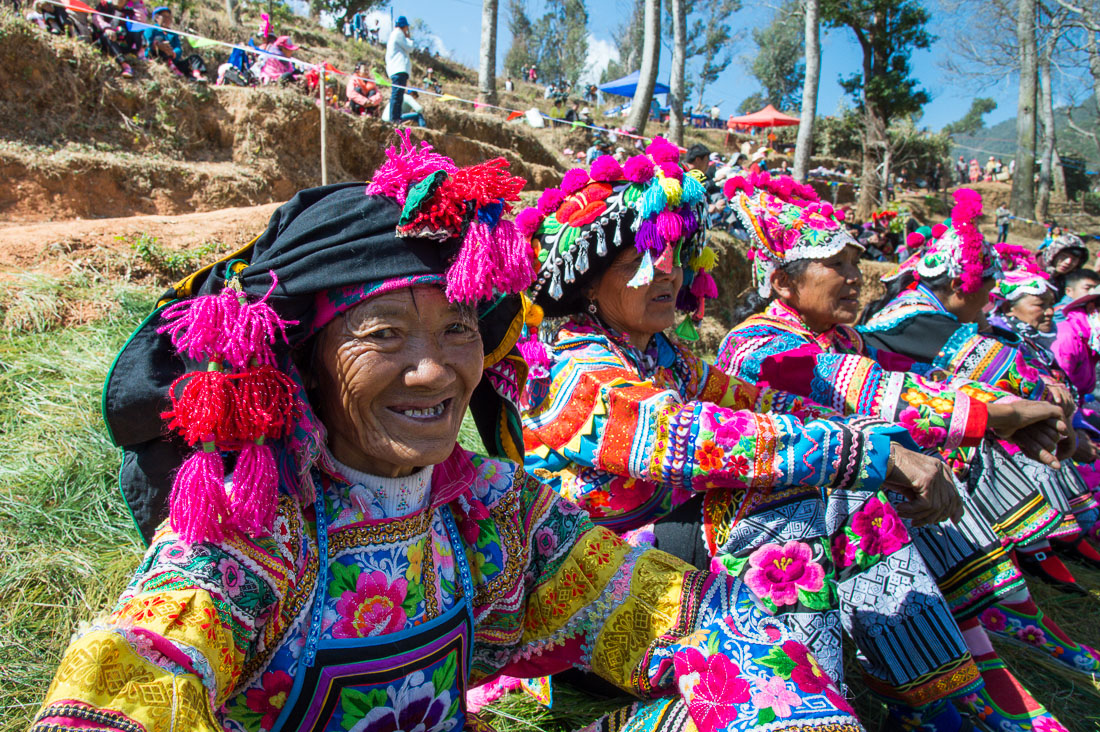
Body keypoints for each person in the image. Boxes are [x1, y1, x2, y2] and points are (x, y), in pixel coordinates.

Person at [32, 132, 861, 732]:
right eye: (384, 335)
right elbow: (128, 682)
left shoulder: (493, 510)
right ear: (306, 362)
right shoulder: (254, 540)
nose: (434, 371)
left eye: (458, 329)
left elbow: (676, 614)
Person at [516, 140, 1003, 731]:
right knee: (792, 486)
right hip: (601, 590)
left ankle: (931, 696)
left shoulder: (667, 358)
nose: (669, 273)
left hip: (665, 556)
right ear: (590, 284)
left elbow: (763, 405)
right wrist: (867, 453)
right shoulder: (573, 364)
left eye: (674, 255)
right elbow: (685, 434)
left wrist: (878, 444)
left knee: (846, 477)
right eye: (640, 264)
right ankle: (807, 702)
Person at [715, 178, 1091, 730]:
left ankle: (967, 653)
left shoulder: (840, 338)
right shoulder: (758, 346)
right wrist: (998, 417)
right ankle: (929, 690)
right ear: (782, 284)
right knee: (868, 497)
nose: (853, 278)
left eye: (853, 263)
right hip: (754, 517)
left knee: (908, 478)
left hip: (818, 498)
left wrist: (1006, 413)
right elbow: (867, 391)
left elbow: (911, 376)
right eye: (836, 266)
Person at [858, 192, 1099, 592]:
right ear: (958, 285)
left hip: (911, 410)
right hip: (895, 425)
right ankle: (1010, 566)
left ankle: (1039, 550)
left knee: (1007, 420)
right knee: (984, 440)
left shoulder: (923, 311)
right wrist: (1048, 397)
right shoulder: (915, 318)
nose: (988, 305)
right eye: (986, 293)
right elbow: (1000, 366)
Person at [143, 6, 206, 80]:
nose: (167, 19)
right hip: (157, 58)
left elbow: (178, 48)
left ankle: (196, 75)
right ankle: (170, 65)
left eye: (169, 17)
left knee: (195, 58)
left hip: (173, 61)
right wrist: (158, 46)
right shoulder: (151, 29)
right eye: (164, 16)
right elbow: (147, 44)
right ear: (157, 18)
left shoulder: (173, 34)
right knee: (159, 39)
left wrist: (173, 53)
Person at [90, 0, 140, 78]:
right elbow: (96, 17)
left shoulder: (128, 11)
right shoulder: (104, 5)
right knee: (107, 36)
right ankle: (125, 65)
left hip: (120, 42)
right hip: (103, 42)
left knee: (136, 31)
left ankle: (139, 55)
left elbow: (135, 24)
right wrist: (106, 28)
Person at [1041, 233, 1089, 300]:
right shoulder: (1030, 269)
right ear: (1053, 253)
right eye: (1064, 256)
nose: (1068, 262)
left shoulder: (1066, 281)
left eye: (1074, 259)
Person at [386, 15, 412, 125]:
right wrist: (408, 38)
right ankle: (394, 118)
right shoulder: (398, 34)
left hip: (397, 68)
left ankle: (396, 118)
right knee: (397, 94)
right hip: (399, 68)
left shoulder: (395, 34)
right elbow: (410, 47)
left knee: (398, 94)